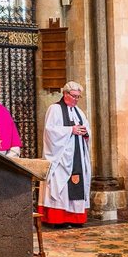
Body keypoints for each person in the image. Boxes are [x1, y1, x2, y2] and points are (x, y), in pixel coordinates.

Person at [39, 81, 92, 225]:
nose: (76, 100)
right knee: (60, 185)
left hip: (77, 154)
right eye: (74, 96)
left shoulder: (78, 112)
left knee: (77, 183)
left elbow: (87, 128)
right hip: (61, 156)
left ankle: (75, 218)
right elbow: (50, 131)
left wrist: (86, 132)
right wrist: (70, 130)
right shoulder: (54, 109)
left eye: (78, 97)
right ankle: (58, 219)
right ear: (65, 94)